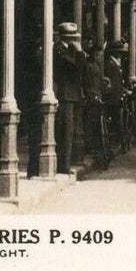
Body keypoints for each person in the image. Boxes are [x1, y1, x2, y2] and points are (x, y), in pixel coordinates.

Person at [53, 23, 85, 173]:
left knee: (69, 131)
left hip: (71, 93)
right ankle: (63, 165)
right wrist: (79, 53)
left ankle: (65, 163)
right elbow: (78, 68)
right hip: (66, 93)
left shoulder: (67, 50)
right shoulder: (60, 51)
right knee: (66, 131)